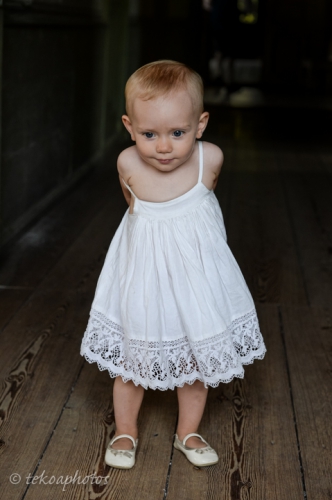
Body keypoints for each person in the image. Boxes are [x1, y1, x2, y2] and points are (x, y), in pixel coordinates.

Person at [80, 60, 266, 469]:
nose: (163, 147)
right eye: (149, 134)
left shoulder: (209, 159)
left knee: (195, 358)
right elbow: (136, 211)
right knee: (131, 359)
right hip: (144, 277)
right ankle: (125, 430)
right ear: (130, 127)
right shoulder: (128, 164)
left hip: (196, 279)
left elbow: (203, 213)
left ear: (200, 125)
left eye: (177, 133)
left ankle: (188, 432)